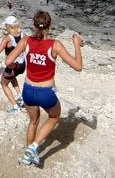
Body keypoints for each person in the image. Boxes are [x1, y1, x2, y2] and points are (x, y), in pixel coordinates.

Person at [5, 11, 83, 166]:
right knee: (54, 116)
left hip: (28, 90)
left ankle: (28, 155)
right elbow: (78, 66)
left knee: (33, 121)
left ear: (33, 26)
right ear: (50, 26)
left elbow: (8, 61)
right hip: (45, 92)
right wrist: (76, 45)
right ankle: (34, 147)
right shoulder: (55, 45)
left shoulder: (26, 41)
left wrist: (18, 66)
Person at [0, 16, 25, 113]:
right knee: (11, 77)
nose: (5, 27)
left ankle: (15, 106)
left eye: (6, 25)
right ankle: (20, 96)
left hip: (13, 66)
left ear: (9, 26)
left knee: (3, 83)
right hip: (22, 65)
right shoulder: (24, 35)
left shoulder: (8, 38)